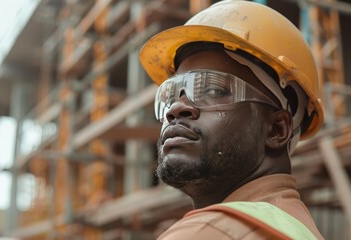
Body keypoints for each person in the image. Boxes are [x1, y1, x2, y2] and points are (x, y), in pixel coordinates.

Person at [139, 0, 324, 239]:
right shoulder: (297, 230)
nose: (176, 108)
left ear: (276, 130)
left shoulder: (209, 232)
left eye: (213, 90)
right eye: (172, 94)